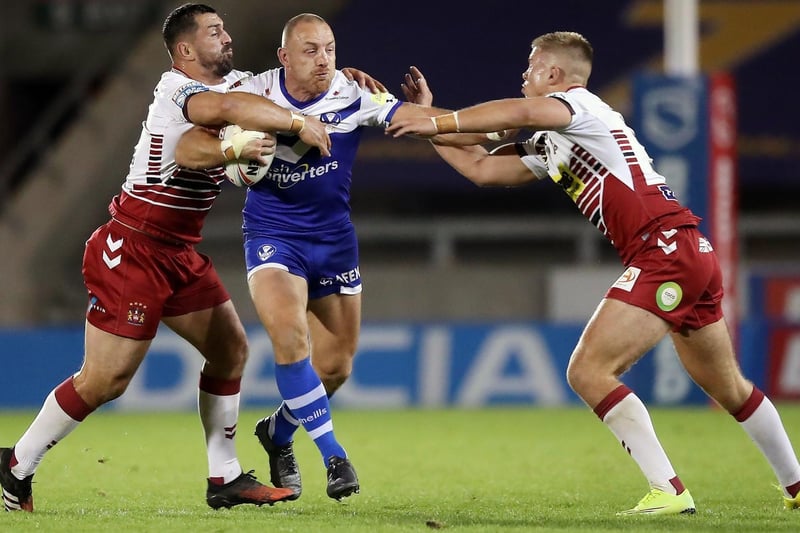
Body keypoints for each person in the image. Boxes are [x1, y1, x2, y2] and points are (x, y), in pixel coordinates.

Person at [386, 31, 800, 515]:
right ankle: (797, 486)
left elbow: (515, 115)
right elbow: (481, 166)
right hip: (687, 251)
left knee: (588, 370)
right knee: (730, 388)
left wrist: (436, 120)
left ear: (556, 76)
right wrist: (432, 121)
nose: (524, 76)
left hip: (663, 251)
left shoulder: (578, 106)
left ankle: (669, 490)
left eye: (531, 67)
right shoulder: (554, 140)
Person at [0, 3, 382, 513]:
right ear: (185, 50)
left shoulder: (245, 82)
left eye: (226, 29)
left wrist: (338, 79)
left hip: (178, 252)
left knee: (230, 351)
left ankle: (223, 476)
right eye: (214, 32)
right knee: (106, 380)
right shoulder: (176, 90)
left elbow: (291, 81)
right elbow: (201, 131)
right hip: (133, 244)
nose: (226, 37)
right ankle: (16, 464)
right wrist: (279, 129)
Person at [175, 13, 448, 502]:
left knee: (336, 367)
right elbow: (190, 140)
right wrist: (231, 148)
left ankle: (277, 434)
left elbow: (423, 123)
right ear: (283, 56)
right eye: (309, 50)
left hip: (335, 242)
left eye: (329, 48)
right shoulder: (252, 93)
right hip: (273, 237)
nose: (323, 60)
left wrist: (437, 118)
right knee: (290, 338)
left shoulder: (356, 94)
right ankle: (334, 456)